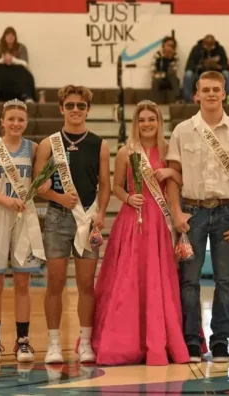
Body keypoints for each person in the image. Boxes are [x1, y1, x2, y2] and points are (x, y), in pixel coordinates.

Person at [166, 70, 229, 362]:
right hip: (191, 211)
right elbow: (173, 176)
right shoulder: (182, 130)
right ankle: (192, 340)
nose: (211, 94)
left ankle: (221, 341)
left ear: (224, 93)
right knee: (189, 280)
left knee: (224, 280)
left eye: (216, 89)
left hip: (227, 211)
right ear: (196, 94)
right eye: (205, 90)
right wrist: (176, 212)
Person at [91, 100, 189, 366]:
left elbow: (183, 181)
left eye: (152, 119)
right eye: (142, 120)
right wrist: (127, 198)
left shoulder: (170, 151)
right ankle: (124, 340)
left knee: (158, 280)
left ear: (159, 122)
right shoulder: (126, 152)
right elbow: (116, 188)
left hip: (159, 222)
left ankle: (160, 340)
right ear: (136, 124)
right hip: (132, 221)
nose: (147, 124)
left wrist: (170, 171)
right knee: (128, 279)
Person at [34, 85, 111, 364]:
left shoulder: (100, 145)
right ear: (61, 109)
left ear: (88, 109)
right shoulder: (48, 144)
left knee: (85, 285)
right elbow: (36, 186)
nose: (75, 110)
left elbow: (105, 185)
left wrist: (101, 214)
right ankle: (54, 344)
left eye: (80, 105)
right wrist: (58, 197)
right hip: (56, 219)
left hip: (88, 220)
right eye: (70, 105)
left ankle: (86, 343)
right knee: (54, 283)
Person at [0, 99, 46, 364]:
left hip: (24, 216)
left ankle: (23, 341)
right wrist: (5, 200)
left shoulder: (35, 148)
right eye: (11, 119)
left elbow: (41, 182)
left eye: (21, 120)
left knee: (23, 282)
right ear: (2, 122)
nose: (16, 123)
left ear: (26, 123)